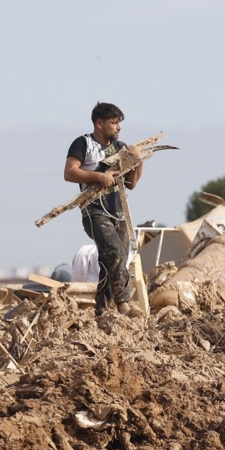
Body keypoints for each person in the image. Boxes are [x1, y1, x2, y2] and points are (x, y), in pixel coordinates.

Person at [64, 102, 143, 316]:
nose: (118, 127)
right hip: (94, 211)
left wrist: (138, 162)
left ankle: (102, 308)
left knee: (115, 259)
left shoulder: (120, 148)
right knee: (113, 251)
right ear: (99, 124)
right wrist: (97, 176)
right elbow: (70, 173)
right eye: (114, 122)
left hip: (119, 212)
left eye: (120, 123)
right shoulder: (83, 144)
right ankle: (124, 303)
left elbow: (130, 184)